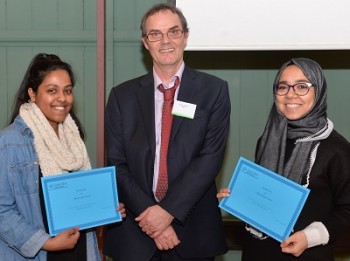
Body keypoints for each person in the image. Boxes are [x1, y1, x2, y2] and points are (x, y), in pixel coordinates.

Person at [103, 3, 230, 261]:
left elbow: (210, 158)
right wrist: (152, 216)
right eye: (155, 34)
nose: (165, 41)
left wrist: (167, 212)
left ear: (185, 36)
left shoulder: (214, 90)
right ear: (145, 42)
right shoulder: (121, 96)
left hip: (193, 233)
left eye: (173, 32)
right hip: (137, 233)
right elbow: (117, 163)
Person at [217, 57, 350, 260]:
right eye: (283, 87)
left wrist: (310, 237)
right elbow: (267, 194)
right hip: (257, 252)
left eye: (301, 87)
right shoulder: (267, 139)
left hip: (308, 255)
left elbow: (347, 209)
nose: (290, 95)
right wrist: (240, 198)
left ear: (319, 91)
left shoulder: (336, 149)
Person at [0, 53, 125, 261]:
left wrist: (104, 211)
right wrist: (46, 242)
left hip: (80, 250)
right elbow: (2, 211)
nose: (62, 98)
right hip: (38, 254)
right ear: (32, 93)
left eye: (67, 91)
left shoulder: (73, 138)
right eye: (52, 91)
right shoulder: (9, 142)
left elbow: (80, 199)